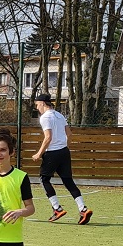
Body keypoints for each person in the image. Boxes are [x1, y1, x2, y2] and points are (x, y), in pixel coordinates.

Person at [30, 93, 92, 224]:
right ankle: (83, 209)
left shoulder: (45, 117)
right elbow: (69, 134)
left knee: (44, 179)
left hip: (52, 153)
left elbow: (48, 138)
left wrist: (39, 154)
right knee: (68, 181)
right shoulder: (60, 115)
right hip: (64, 152)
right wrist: (65, 148)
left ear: (42, 103)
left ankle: (57, 208)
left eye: (37, 105)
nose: (37, 107)